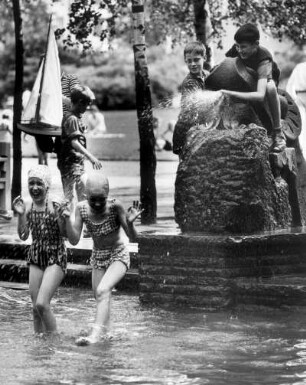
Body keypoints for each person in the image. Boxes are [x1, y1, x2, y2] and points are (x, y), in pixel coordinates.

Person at [60, 170, 143, 345]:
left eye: (101, 199)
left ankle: (94, 336)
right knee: (101, 298)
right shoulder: (82, 209)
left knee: (103, 291)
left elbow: (133, 238)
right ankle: (108, 334)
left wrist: (130, 222)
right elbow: (74, 240)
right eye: (93, 199)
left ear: (107, 195)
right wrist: (67, 219)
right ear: (85, 195)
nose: (97, 203)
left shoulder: (115, 207)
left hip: (118, 255)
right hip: (98, 257)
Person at [12, 165, 67, 335]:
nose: (34, 188)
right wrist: (20, 215)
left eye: (39, 184)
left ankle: (53, 340)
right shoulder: (28, 208)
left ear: (47, 186)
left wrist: (61, 217)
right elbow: (23, 235)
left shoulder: (54, 206)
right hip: (36, 256)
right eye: (31, 183)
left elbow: (66, 235)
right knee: (35, 309)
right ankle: (39, 345)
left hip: (55, 256)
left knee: (42, 304)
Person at [220, 23, 286, 153]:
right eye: (237, 46)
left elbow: (260, 95)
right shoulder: (237, 49)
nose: (239, 50)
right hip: (246, 82)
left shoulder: (264, 58)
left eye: (243, 47)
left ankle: (278, 133)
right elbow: (225, 66)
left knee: (270, 87)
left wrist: (230, 93)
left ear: (256, 44)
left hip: (263, 83)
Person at [57, 85, 103, 203]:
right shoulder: (72, 119)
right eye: (86, 104)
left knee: (72, 196)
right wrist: (92, 158)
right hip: (71, 164)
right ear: (79, 103)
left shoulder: (73, 114)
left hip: (73, 163)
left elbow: (70, 101)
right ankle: (75, 219)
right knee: (77, 196)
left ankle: (74, 219)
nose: (87, 107)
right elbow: (74, 142)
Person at [173, 41, 209, 155]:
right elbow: (197, 108)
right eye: (189, 61)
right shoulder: (190, 83)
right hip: (185, 131)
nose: (192, 64)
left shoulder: (207, 75)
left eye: (196, 59)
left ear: (205, 58)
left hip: (197, 129)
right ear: (185, 61)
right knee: (188, 168)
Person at [286, 62, 306, 158]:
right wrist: (294, 101)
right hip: (299, 100)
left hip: (300, 97)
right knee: (302, 133)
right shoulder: (300, 67)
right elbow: (290, 88)